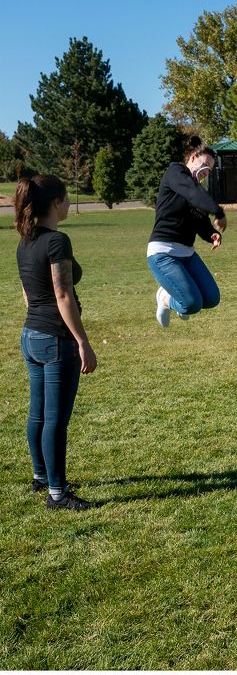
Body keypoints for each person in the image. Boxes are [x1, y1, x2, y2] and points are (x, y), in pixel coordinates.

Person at [14, 175, 97, 511]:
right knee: (55, 420)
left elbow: (26, 293)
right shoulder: (57, 241)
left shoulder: (26, 241)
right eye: (65, 198)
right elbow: (63, 294)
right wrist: (82, 341)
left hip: (31, 336)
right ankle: (58, 495)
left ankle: (41, 477)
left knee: (38, 414)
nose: (67, 204)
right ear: (56, 203)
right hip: (55, 340)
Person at [147, 138, 227, 327]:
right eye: (205, 165)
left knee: (211, 298)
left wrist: (211, 235)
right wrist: (218, 211)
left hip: (187, 254)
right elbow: (191, 192)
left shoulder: (196, 190)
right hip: (163, 253)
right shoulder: (175, 172)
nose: (206, 171)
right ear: (193, 157)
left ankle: (176, 298)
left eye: (210, 169)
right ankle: (165, 298)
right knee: (191, 304)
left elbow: (199, 220)